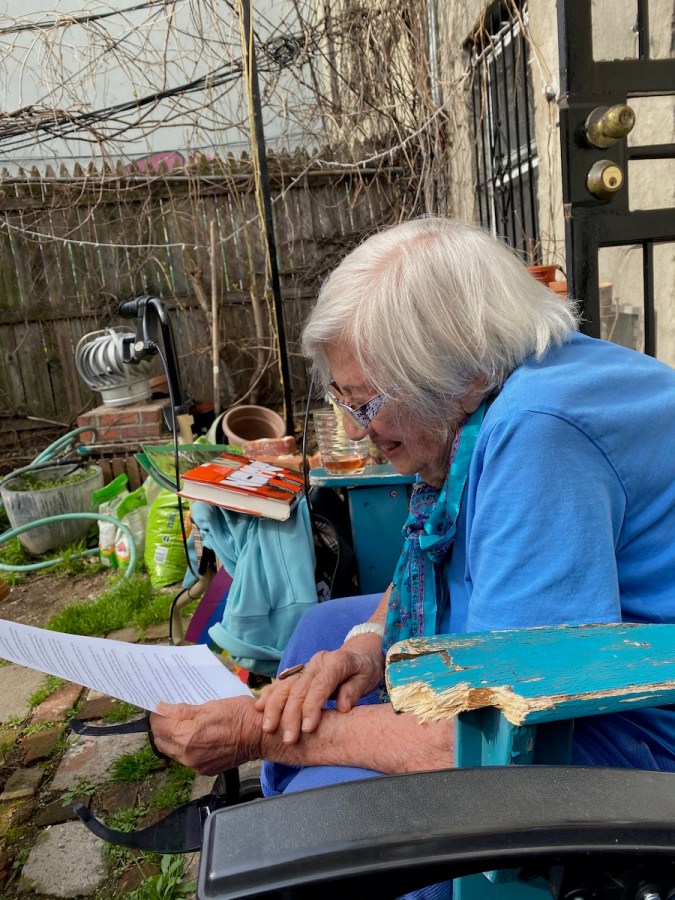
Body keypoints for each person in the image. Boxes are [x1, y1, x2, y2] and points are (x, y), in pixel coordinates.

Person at [150, 217, 675, 895]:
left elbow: (499, 730)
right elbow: (431, 551)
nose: (352, 430)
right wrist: (369, 647)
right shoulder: (511, 377)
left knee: (340, 816)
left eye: (366, 403)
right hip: (580, 649)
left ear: (458, 369)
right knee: (323, 633)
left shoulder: (540, 437)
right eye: (342, 398)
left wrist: (265, 734)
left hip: (635, 723)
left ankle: (328, 847)